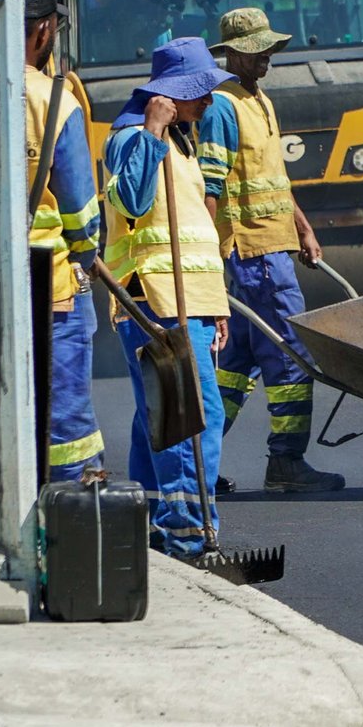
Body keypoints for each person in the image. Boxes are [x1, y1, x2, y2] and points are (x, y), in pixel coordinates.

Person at [199, 8, 345, 495]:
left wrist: (302, 229)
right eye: (257, 50)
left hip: (274, 247)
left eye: (267, 49)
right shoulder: (222, 106)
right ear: (234, 53)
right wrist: (208, 257)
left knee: (237, 365)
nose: (266, 57)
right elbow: (211, 184)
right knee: (292, 358)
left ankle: (196, 463)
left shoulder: (260, 100)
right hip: (254, 255)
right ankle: (287, 462)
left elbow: (276, 182)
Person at [103, 37, 233, 559]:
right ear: (171, 95)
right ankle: (186, 532)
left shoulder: (181, 142)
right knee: (191, 416)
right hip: (154, 302)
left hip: (189, 303)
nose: (209, 100)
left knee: (156, 419)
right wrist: (153, 130)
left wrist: (214, 304)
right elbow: (132, 200)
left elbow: (195, 229)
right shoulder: (133, 136)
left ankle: (154, 525)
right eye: (201, 90)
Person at [24, 0, 105, 482]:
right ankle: (70, 519)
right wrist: (85, 254)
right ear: (44, 32)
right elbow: (79, 210)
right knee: (65, 420)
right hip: (49, 285)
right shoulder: (55, 100)